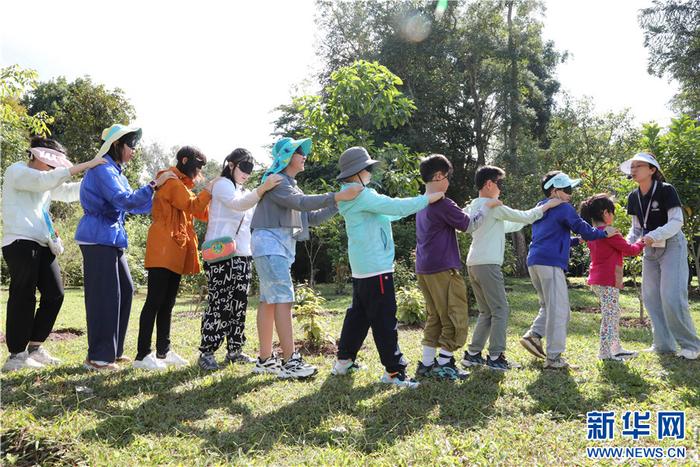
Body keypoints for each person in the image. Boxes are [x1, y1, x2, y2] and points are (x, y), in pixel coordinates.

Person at [330, 147, 443, 389]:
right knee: (383, 319)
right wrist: (428, 198)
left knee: (358, 316)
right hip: (376, 268)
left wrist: (416, 203)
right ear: (358, 172)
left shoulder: (350, 196)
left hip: (362, 267)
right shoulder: (362, 195)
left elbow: (389, 213)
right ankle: (394, 372)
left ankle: (344, 360)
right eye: (368, 169)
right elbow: (396, 207)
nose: (371, 172)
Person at [249, 137, 362, 379]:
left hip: (274, 247)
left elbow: (309, 218)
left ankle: (265, 360)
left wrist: (338, 203)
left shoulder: (290, 185)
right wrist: (335, 196)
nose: (305, 156)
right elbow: (301, 203)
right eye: (300, 152)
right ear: (287, 157)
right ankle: (290, 362)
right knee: (283, 299)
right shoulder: (278, 182)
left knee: (269, 301)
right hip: (270, 245)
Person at [75, 124, 176, 371]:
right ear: (117, 145)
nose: (134, 150)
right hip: (98, 239)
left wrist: (163, 199)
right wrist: (153, 184)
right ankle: (98, 358)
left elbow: (135, 206)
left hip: (111, 239)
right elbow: (125, 200)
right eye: (131, 145)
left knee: (125, 291)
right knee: (104, 298)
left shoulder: (116, 172)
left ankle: (113, 352)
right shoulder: (102, 169)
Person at [2, 137, 106, 371]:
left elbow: (68, 192)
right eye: (52, 163)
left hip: (42, 243)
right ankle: (16, 356)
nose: (53, 168)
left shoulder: (47, 180)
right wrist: (87, 164)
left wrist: (97, 175)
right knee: (23, 296)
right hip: (19, 241)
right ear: (36, 156)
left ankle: (35, 348)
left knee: (55, 294)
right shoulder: (17, 171)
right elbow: (43, 181)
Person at [461, 166, 562, 372]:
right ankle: (496, 357)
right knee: (500, 310)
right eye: (499, 183)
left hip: (474, 264)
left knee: (486, 311)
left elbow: (511, 224)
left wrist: (533, 215)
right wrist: (546, 206)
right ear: (489, 184)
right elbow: (523, 216)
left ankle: (472, 354)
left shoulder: (477, 206)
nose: (500, 188)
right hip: (488, 265)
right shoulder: (493, 206)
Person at [413, 156, 501, 380]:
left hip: (424, 267)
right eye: (447, 177)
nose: (449, 182)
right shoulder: (443, 203)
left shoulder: (421, 203)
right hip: (443, 268)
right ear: (438, 176)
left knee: (435, 316)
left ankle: (426, 363)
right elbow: (469, 225)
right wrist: (487, 207)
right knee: (456, 314)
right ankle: (444, 363)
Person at [520, 171, 616, 370]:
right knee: (560, 311)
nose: (571, 194)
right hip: (550, 263)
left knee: (548, 306)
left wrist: (574, 241)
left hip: (535, 261)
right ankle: (554, 358)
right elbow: (583, 227)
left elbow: (550, 235)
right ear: (555, 191)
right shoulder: (563, 207)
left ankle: (533, 336)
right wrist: (603, 232)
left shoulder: (541, 207)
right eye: (568, 189)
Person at [197, 148, 282, 371]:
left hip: (242, 254)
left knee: (238, 303)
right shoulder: (223, 184)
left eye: (250, 168)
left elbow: (249, 211)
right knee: (219, 302)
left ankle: (235, 349)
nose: (247, 172)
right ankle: (207, 352)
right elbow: (238, 204)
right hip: (221, 255)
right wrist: (262, 188)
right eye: (243, 167)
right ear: (231, 164)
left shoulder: (242, 189)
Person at [134, 146, 214, 370]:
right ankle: (142, 355)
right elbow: (191, 205)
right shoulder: (170, 182)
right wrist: (209, 189)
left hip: (174, 248)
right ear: (184, 159)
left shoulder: (182, 185)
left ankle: (163, 350)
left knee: (167, 304)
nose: (198, 170)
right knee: (154, 302)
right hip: (163, 248)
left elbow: (199, 212)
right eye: (197, 165)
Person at [620, 152, 700, 359]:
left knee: (672, 297)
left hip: (672, 245)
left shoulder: (666, 190)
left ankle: (691, 346)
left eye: (639, 166)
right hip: (649, 249)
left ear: (652, 170)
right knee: (652, 297)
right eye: (632, 166)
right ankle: (663, 344)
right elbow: (636, 229)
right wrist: (626, 244)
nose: (634, 169)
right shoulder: (633, 196)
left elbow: (676, 222)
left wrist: (653, 235)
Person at [579, 193, 645, 361]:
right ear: (605, 213)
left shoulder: (592, 233)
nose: (613, 216)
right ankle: (605, 353)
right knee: (610, 316)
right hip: (607, 279)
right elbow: (631, 250)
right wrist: (643, 241)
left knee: (613, 313)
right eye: (612, 212)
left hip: (599, 279)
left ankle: (616, 348)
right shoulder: (610, 233)